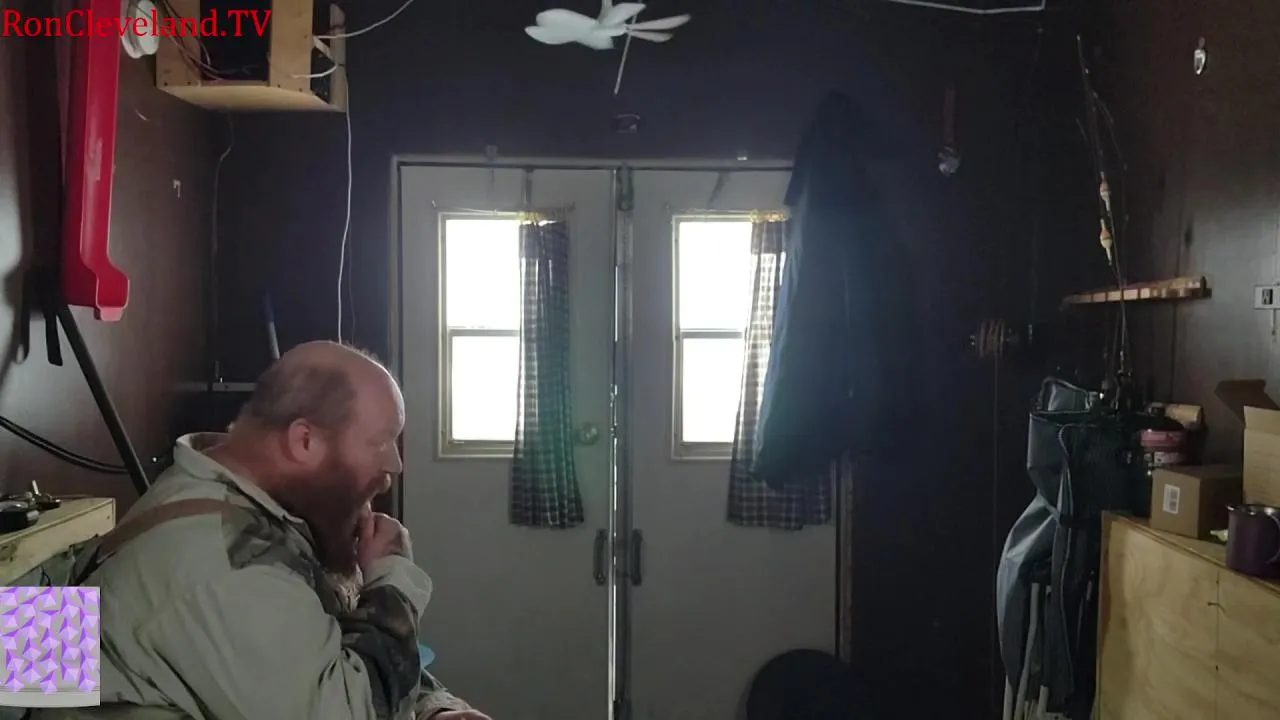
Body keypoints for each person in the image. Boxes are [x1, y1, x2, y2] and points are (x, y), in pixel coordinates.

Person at [37, 341, 490, 720]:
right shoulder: (224, 565)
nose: (395, 465)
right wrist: (393, 581)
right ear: (304, 441)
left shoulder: (239, 500)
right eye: (380, 442)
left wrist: (434, 708)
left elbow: (323, 653)